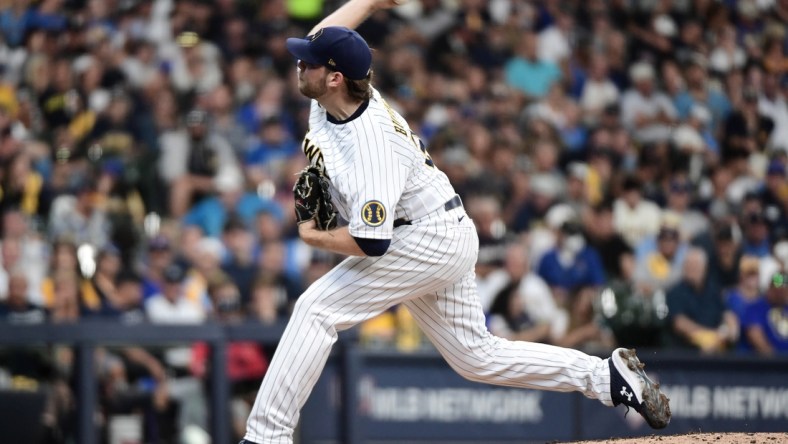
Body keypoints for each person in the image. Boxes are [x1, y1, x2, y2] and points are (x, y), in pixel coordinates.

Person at [239, 1, 671, 442]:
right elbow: (324, 35)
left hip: (425, 236)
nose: (299, 64)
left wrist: (314, 236)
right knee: (476, 358)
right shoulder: (337, 94)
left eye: (307, 63)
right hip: (437, 228)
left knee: (316, 309)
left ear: (333, 78)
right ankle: (607, 377)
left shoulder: (372, 147)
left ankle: (265, 437)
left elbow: (372, 243)